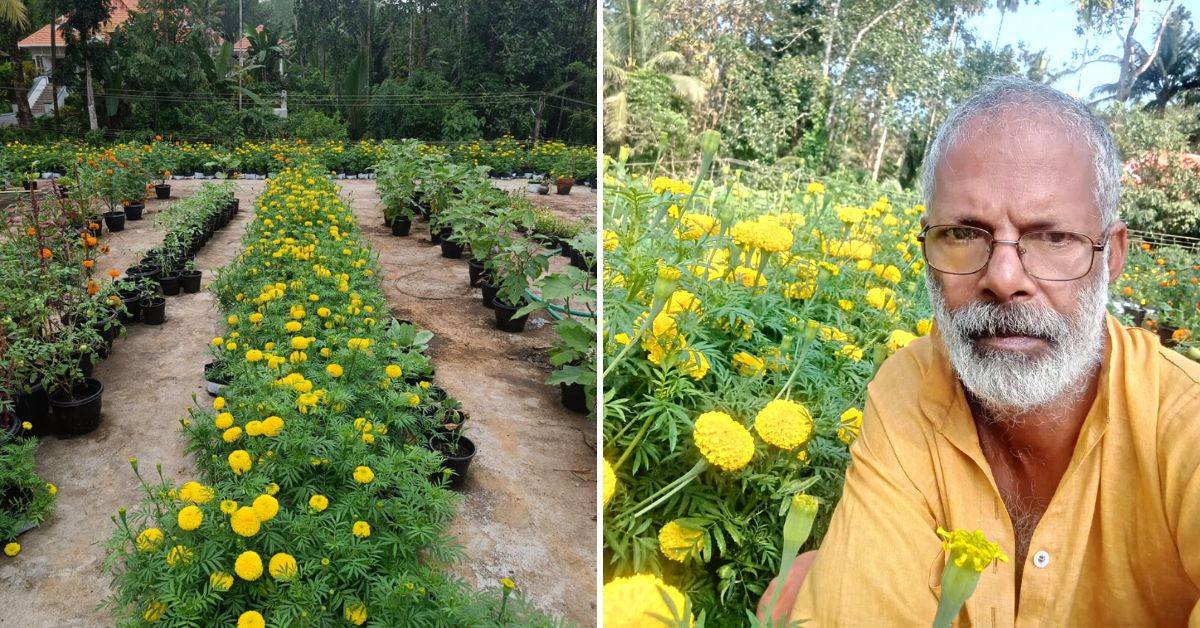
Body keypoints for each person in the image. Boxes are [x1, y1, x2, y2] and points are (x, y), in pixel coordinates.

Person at [760, 76, 1200, 625]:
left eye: (1053, 237)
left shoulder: (1183, 426)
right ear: (926, 246)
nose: (1004, 277)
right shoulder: (910, 390)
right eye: (965, 233)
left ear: (1111, 256)